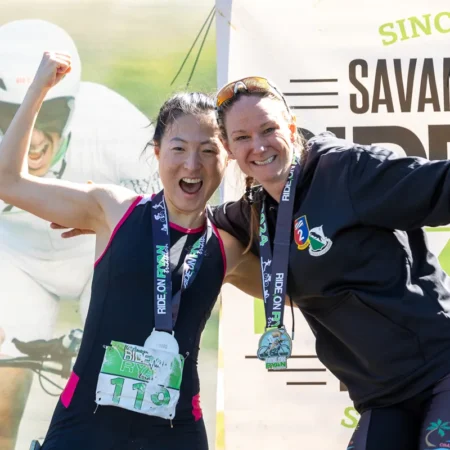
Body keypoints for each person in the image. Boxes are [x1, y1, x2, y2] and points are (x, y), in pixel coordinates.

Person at [0, 52, 262, 450]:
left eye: (209, 150)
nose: (193, 164)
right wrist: (39, 90)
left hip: (175, 435)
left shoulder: (228, 246)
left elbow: (295, 290)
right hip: (85, 428)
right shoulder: (113, 210)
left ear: (226, 158)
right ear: (156, 152)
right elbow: (8, 182)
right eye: (178, 149)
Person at [212, 76, 450, 449]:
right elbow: (188, 221)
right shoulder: (255, 213)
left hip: (441, 369)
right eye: (242, 137)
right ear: (228, 147)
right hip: (382, 396)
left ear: (290, 127)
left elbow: (441, 186)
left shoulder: (348, 171)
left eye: (268, 129)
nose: (258, 146)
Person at [0, 19, 161, 449]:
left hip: (103, 261)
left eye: (49, 115)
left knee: (120, 398)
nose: (33, 137)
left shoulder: (113, 125)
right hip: (20, 261)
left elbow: (168, 215)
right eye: (12, 116)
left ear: (72, 106)